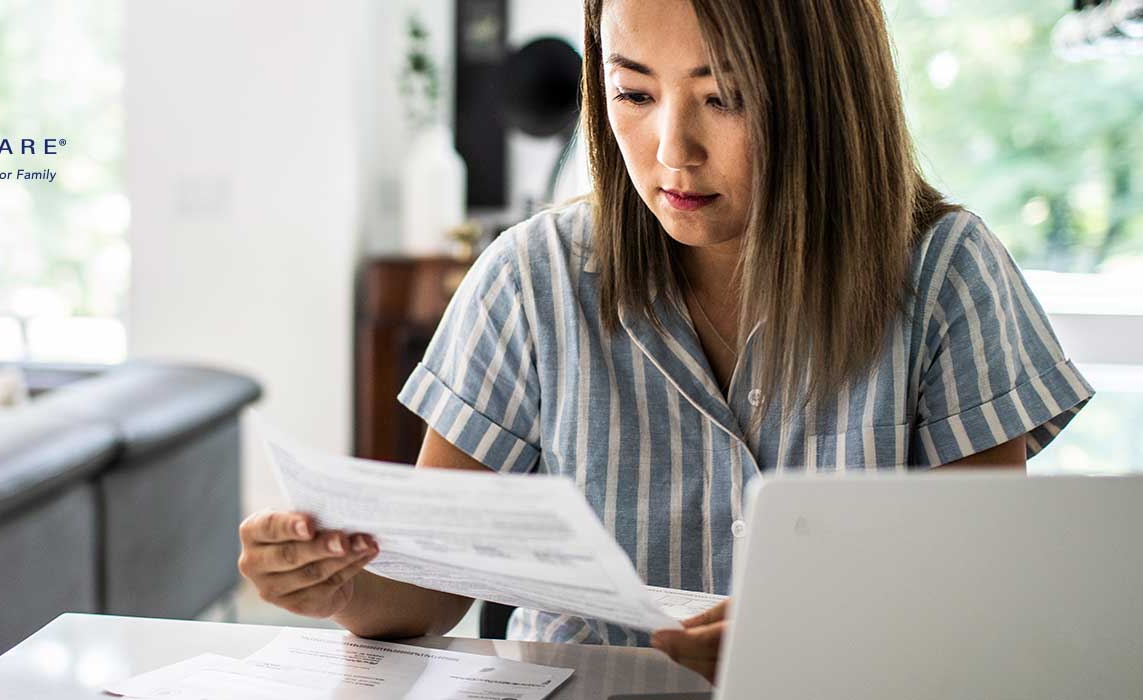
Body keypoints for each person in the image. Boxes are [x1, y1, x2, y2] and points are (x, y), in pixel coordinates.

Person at [237, 0, 1094, 683]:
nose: (670, 151)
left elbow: (988, 602)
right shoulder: (532, 278)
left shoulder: (947, 275)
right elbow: (426, 590)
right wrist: (339, 580)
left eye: (726, 98)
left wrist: (817, 636)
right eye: (634, 93)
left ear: (826, 95)